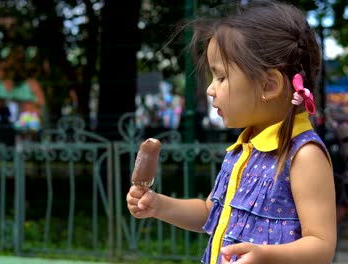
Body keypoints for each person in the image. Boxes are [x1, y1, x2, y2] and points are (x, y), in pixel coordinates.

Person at [127, 1, 336, 264]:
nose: (210, 89)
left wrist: (266, 256)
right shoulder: (244, 148)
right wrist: (158, 205)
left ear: (269, 85)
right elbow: (211, 212)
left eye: (221, 78)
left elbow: (321, 246)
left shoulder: (304, 156)